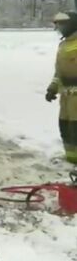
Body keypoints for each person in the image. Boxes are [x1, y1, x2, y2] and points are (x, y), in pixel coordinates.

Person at [46, 12, 77, 165]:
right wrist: (53, 87)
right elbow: (59, 71)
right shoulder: (63, 45)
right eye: (57, 25)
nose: (59, 28)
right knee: (65, 127)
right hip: (66, 97)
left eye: (62, 24)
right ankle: (72, 159)